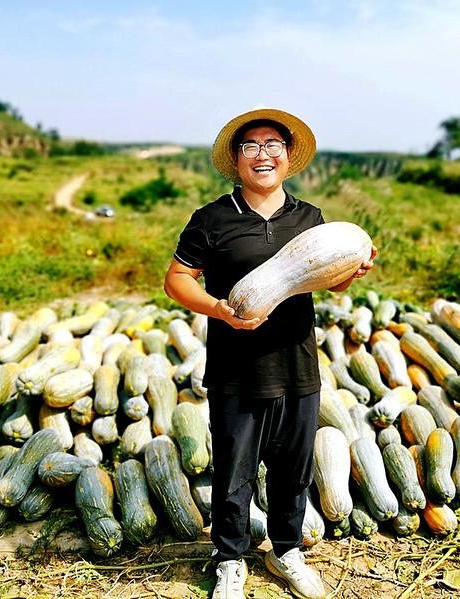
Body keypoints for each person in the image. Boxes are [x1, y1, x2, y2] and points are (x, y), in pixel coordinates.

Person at [163, 107, 376, 599]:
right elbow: (176, 280)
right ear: (237, 160)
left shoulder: (309, 218)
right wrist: (219, 309)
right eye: (251, 146)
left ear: (287, 156)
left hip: (297, 362)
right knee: (234, 471)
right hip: (235, 368)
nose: (263, 154)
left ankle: (286, 551)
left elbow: (328, 280)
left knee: (293, 468)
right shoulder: (212, 218)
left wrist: (351, 274)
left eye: (272, 145)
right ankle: (229, 559)